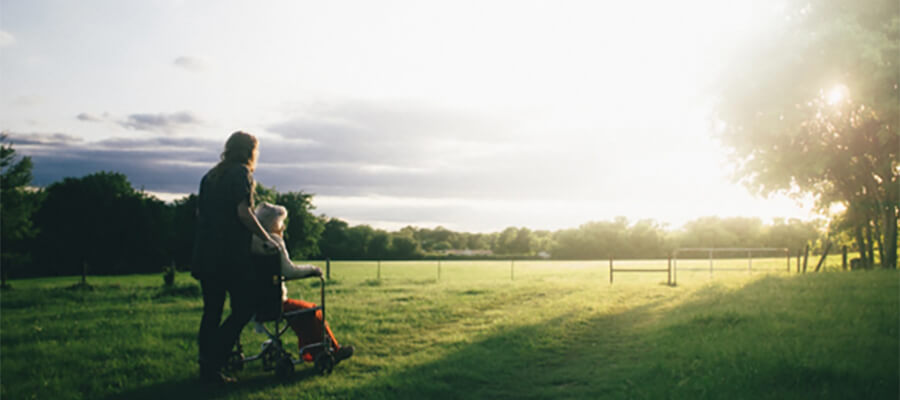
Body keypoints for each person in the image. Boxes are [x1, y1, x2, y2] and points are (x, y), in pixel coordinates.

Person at [191, 131, 279, 384]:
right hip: (229, 256)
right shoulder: (241, 173)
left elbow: (200, 213)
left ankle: (207, 368)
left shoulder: (210, 176)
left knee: (212, 312)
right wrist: (266, 237)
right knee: (244, 308)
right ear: (250, 151)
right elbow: (244, 212)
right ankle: (214, 359)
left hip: (205, 254)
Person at [250, 202, 354, 363]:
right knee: (311, 310)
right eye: (281, 223)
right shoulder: (274, 241)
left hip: (252, 303)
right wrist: (313, 270)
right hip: (274, 302)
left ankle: (321, 349)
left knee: (302, 311)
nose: (283, 227)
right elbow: (289, 271)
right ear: (272, 224)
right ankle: (330, 350)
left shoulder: (249, 242)